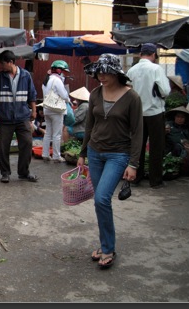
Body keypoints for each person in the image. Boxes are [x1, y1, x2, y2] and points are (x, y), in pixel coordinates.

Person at [78, 53, 143, 269]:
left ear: (116, 72)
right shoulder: (95, 93)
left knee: (101, 199)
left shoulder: (132, 97)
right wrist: (82, 153)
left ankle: (108, 248)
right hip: (95, 153)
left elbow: (137, 132)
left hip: (118, 155)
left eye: (106, 72)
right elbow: (89, 125)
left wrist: (133, 164)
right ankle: (107, 244)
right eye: (99, 72)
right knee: (100, 200)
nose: (101, 76)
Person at [126, 43, 171, 189]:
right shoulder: (156, 68)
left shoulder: (131, 70)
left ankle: (135, 177)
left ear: (140, 55)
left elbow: (126, 90)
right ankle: (155, 180)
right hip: (154, 112)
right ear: (153, 55)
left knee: (137, 146)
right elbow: (165, 90)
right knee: (156, 147)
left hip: (137, 113)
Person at [0, 49, 38, 183]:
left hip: (23, 117)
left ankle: (24, 172)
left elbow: (32, 94)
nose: (1, 67)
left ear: (10, 62)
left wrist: (33, 111)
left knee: (27, 143)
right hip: (5, 118)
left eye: (3, 64)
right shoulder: (0, 77)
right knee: (3, 146)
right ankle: (5, 173)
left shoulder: (26, 76)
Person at [41, 60, 71, 163]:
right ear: (59, 70)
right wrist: (68, 100)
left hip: (47, 109)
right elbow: (64, 95)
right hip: (56, 110)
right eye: (63, 71)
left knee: (48, 132)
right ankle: (56, 156)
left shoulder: (46, 80)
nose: (64, 73)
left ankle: (45, 154)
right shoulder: (57, 80)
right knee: (57, 134)